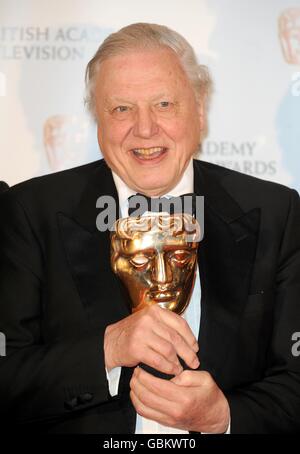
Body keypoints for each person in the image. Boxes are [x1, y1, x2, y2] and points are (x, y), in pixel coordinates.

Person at [0, 22, 299, 434]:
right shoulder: (30, 212)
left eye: (163, 104)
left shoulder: (276, 212)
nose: (144, 129)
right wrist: (107, 350)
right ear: (97, 120)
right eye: (121, 108)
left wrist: (225, 417)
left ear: (199, 108)